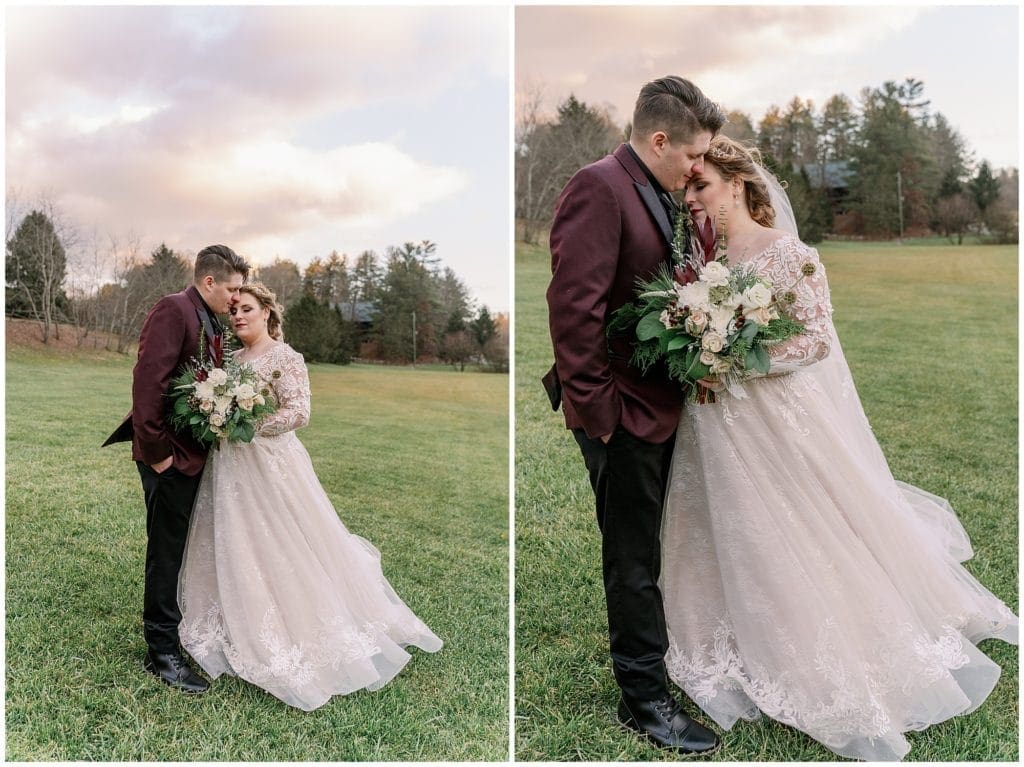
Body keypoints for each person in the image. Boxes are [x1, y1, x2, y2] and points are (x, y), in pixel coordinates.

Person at [659, 135, 1018, 760]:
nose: (690, 198)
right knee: (717, 527)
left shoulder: (788, 254)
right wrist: (696, 347)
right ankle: (714, 631)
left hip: (776, 420)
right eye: (686, 188)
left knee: (794, 527)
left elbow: (816, 343)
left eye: (702, 185)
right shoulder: (695, 256)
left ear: (738, 183)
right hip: (713, 424)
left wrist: (733, 358)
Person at [544, 75, 725, 754]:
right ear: (658, 140)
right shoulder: (598, 186)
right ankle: (643, 699)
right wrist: (601, 415)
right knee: (632, 557)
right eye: (694, 155)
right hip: (622, 415)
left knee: (654, 544)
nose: (700, 167)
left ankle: (665, 664)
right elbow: (573, 308)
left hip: (663, 403)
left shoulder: (663, 192)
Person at [177, 283, 442, 711]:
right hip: (230, 468)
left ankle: (300, 622)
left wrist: (245, 421)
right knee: (236, 541)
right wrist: (219, 416)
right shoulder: (229, 361)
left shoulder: (286, 357)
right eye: (234, 312)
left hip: (272, 465)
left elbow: (299, 412)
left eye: (247, 309)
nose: (238, 317)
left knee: (285, 541)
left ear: (267, 312)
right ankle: (233, 614)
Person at [104, 244, 249, 693]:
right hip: (167, 457)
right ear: (209, 282)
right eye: (232, 289)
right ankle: (162, 653)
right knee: (166, 553)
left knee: (180, 547)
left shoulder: (208, 319)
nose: (236, 298)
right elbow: (148, 383)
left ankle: (176, 635)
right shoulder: (173, 310)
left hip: (191, 455)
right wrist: (159, 454)